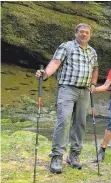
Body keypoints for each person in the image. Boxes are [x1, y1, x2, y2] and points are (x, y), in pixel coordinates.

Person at [35, 23, 98, 174]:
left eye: (87, 33)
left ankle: (74, 156)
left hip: (84, 91)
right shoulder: (66, 46)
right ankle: (57, 157)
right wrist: (45, 74)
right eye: (81, 32)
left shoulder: (92, 51)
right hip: (67, 89)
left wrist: (94, 83)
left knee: (80, 123)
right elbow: (55, 63)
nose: (84, 35)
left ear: (90, 35)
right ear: (76, 34)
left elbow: (95, 68)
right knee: (63, 120)